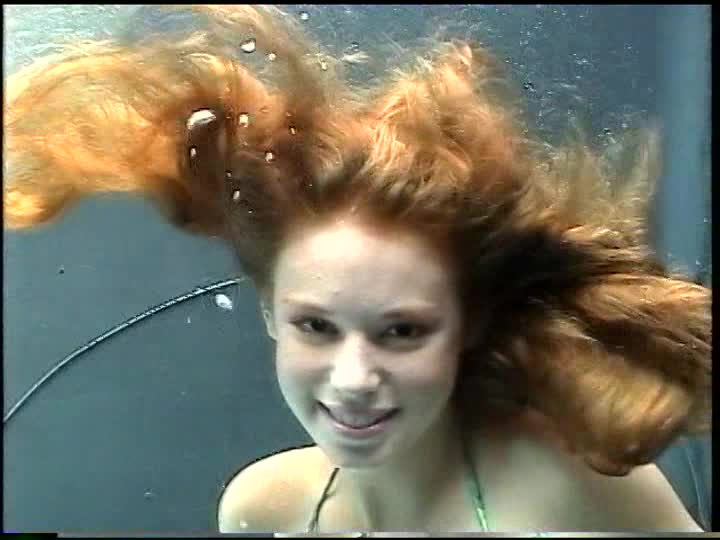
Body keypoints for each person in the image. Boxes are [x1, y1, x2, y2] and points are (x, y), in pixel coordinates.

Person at [4, 5, 710, 535]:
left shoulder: (571, 484)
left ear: (469, 325)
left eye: (402, 331)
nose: (353, 379)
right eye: (316, 326)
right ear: (269, 313)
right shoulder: (260, 507)